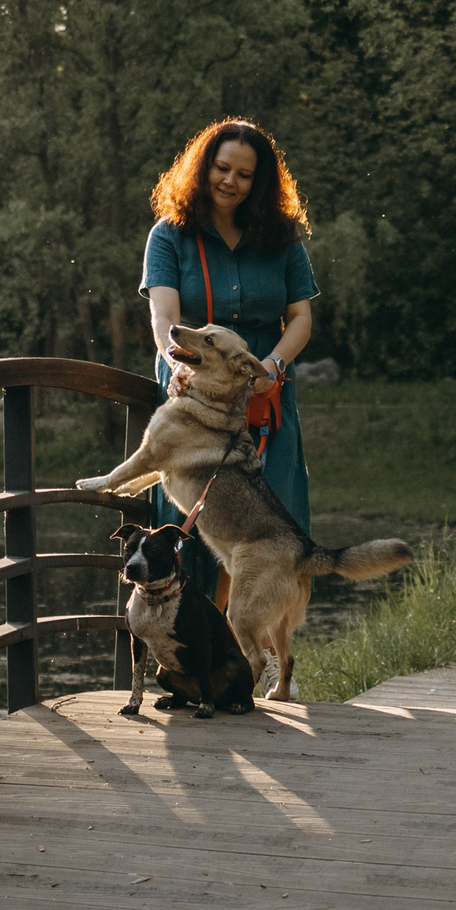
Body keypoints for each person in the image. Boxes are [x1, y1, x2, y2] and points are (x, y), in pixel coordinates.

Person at [140, 119, 318, 604]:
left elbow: (301, 317)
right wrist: (177, 364)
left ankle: (267, 654)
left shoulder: (281, 236)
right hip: (193, 395)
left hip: (265, 390)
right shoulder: (169, 235)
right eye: (221, 168)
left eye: (244, 175)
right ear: (204, 167)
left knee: (268, 521)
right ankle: (191, 654)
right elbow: (164, 316)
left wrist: (273, 366)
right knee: (190, 519)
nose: (230, 182)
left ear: (259, 181)